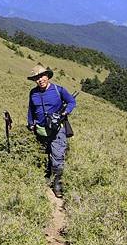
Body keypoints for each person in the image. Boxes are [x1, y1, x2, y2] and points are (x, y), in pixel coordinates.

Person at [27, 65, 76, 198]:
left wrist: (65, 112)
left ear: (47, 76)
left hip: (57, 129)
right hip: (41, 130)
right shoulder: (33, 93)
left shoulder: (58, 90)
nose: (40, 80)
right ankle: (47, 175)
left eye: (42, 76)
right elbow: (31, 109)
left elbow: (71, 102)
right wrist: (30, 124)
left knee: (58, 155)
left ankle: (57, 182)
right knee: (45, 153)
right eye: (37, 78)